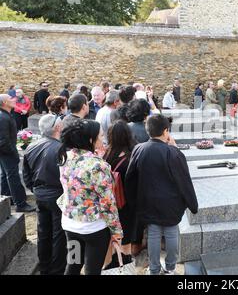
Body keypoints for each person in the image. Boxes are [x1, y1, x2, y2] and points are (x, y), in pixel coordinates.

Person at [125, 115, 198, 275]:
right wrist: (192, 204)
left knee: (153, 233)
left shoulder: (139, 149)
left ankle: (154, 269)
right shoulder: (173, 153)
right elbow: (184, 180)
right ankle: (171, 268)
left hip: (147, 200)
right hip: (170, 202)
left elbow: (130, 178)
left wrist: (133, 200)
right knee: (171, 232)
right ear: (166, 131)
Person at [57, 119, 123, 275]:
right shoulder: (98, 165)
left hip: (70, 223)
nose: (103, 139)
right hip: (94, 229)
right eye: (100, 135)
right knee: (92, 270)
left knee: (73, 264)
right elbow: (107, 203)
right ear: (90, 140)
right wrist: (116, 232)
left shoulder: (65, 157)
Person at [22, 114, 67, 275]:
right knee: (57, 235)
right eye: (61, 124)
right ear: (57, 128)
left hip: (41, 194)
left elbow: (26, 176)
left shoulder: (32, 146)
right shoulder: (61, 148)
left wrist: (35, 190)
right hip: (56, 195)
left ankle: (45, 267)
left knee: (43, 232)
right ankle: (55, 270)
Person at [103, 121, 137, 264]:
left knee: (113, 237)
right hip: (127, 205)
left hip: (110, 203)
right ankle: (125, 264)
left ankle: (114, 264)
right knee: (126, 239)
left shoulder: (106, 155)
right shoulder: (131, 157)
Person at [0, 94, 35, 212]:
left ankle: (7, 199)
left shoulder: (5, 115)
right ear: (4, 103)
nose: (14, 100)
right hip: (7, 153)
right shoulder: (3, 117)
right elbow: (3, 141)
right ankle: (20, 204)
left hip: (5, 153)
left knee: (6, 176)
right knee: (13, 177)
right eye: (10, 99)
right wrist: (13, 153)